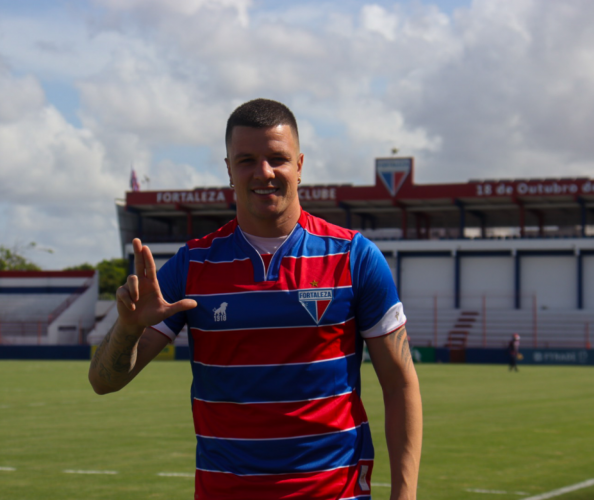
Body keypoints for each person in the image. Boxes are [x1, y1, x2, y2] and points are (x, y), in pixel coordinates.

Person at [89, 98, 422, 500]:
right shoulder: (192, 264)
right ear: (229, 169)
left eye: (277, 158)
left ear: (299, 165)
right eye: (246, 159)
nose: (263, 172)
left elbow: (400, 386)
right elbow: (103, 382)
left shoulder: (354, 257)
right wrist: (127, 329)